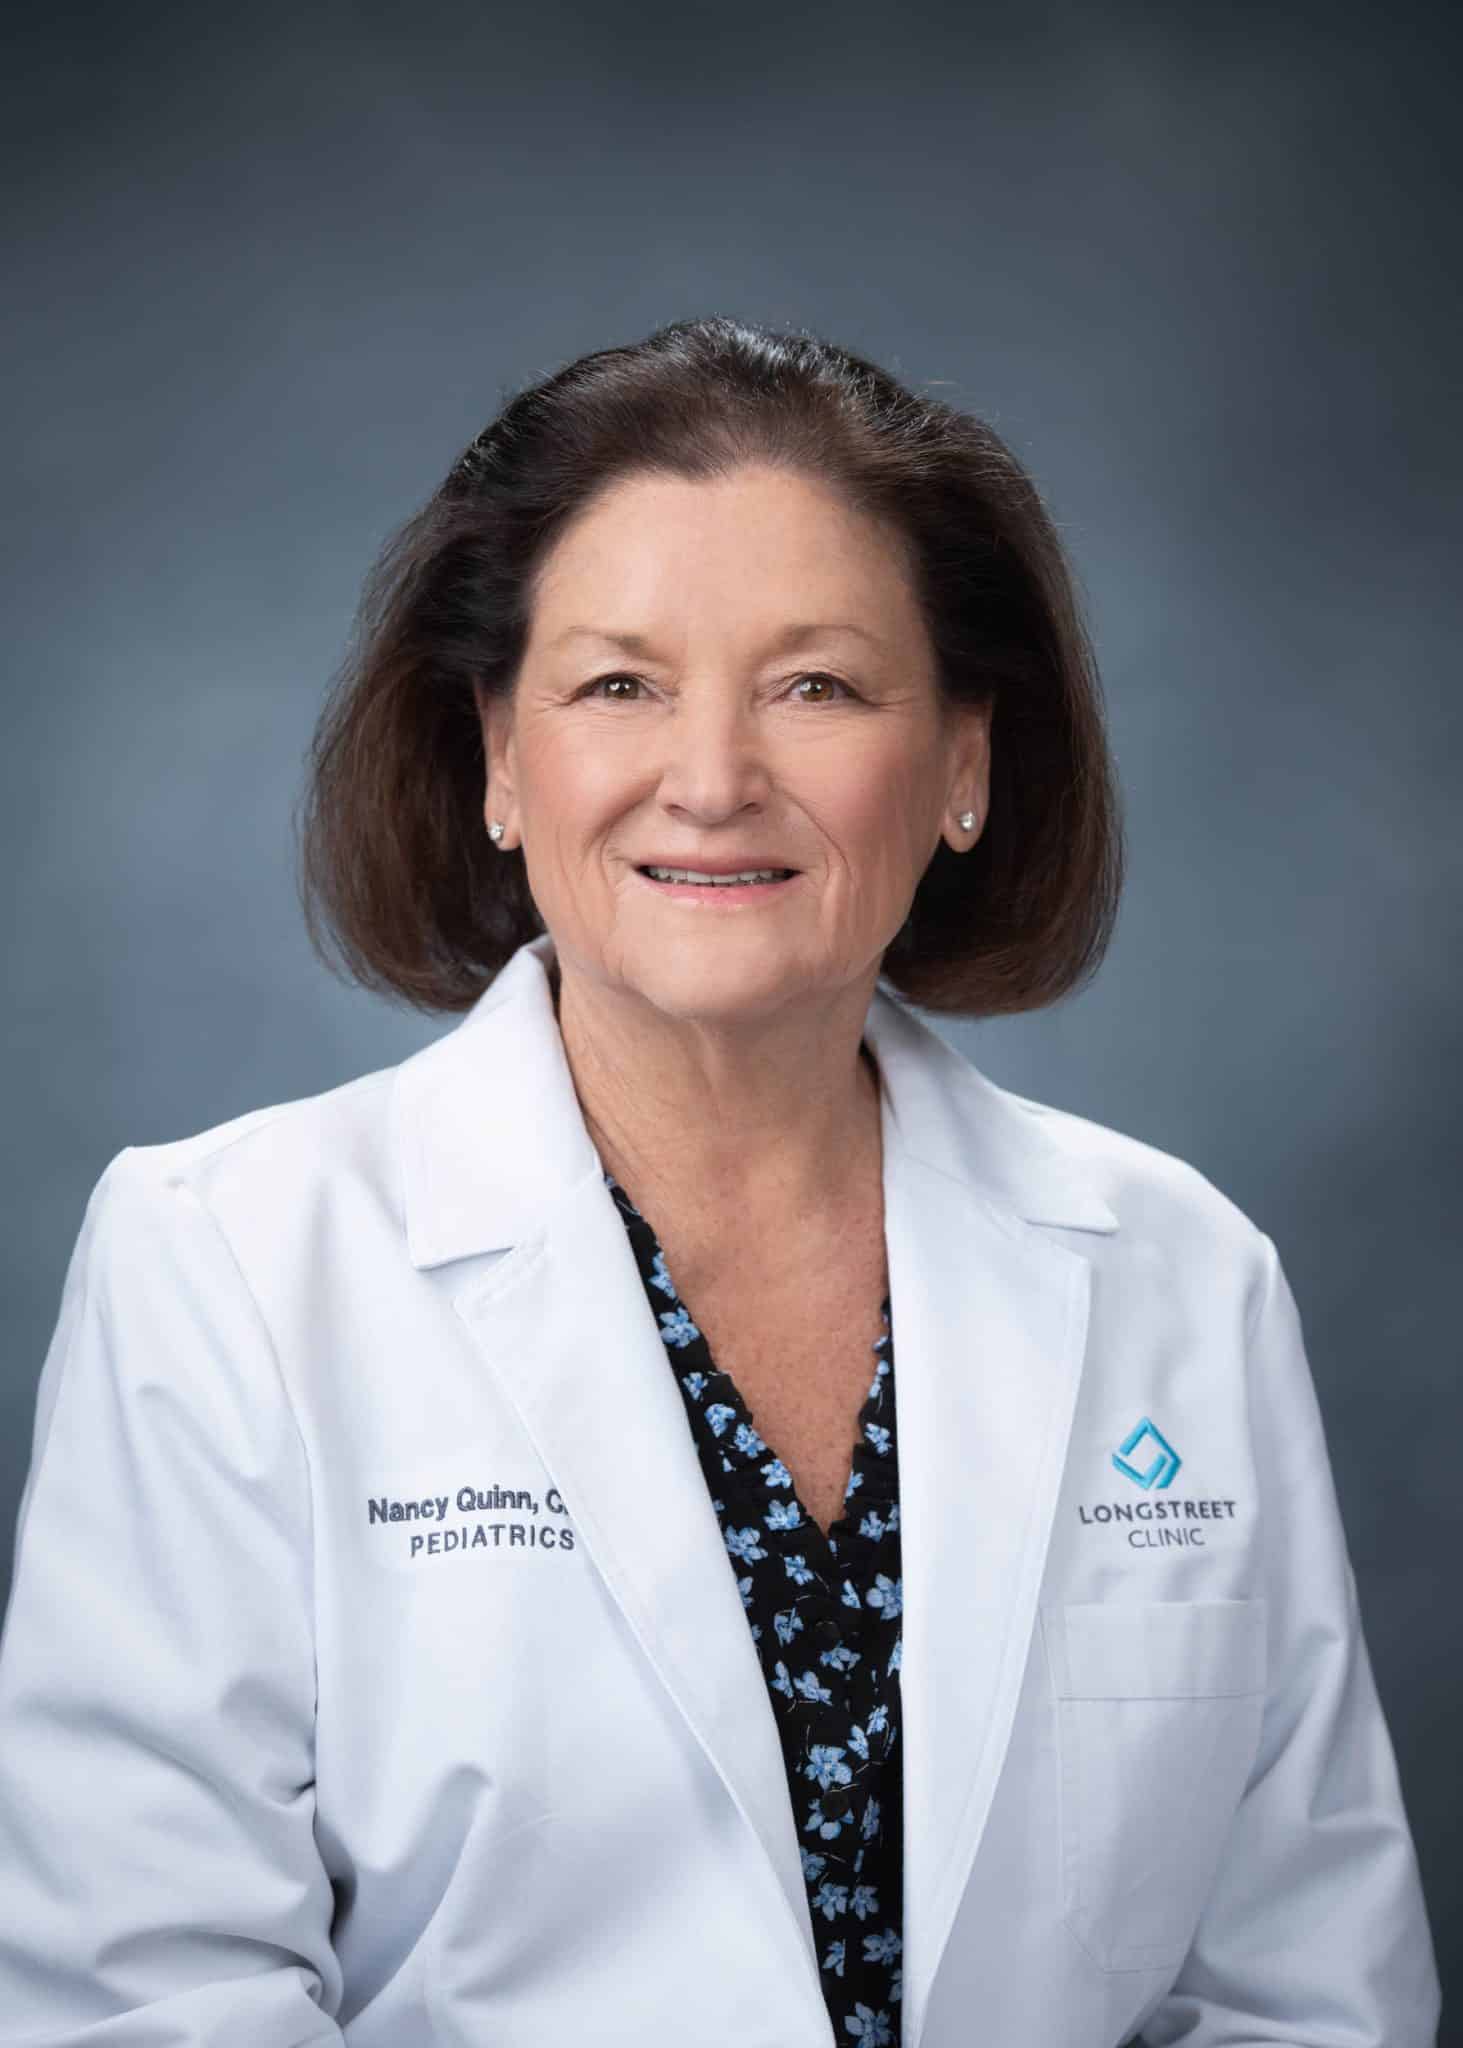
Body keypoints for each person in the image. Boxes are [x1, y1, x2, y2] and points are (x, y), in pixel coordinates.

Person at [0, 315, 1439, 2048]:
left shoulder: (1184, 1277)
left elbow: (1302, 1989)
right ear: (498, 757)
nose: (710, 781)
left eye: (816, 686)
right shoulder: (224, 1265)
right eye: (619, 686)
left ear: (964, 763)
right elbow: (152, 1997)